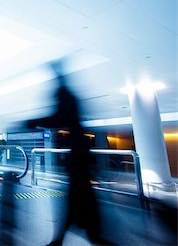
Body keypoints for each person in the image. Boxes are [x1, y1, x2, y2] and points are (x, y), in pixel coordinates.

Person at [26, 63, 107, 245]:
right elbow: (61, 117)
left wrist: (33, 121)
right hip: (79, 153)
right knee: (78, 194)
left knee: (77, 194)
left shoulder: (65, 93)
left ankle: (67, 237)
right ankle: (73, 235)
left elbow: (60, 117)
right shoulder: (68, 92)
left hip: (78, 153)